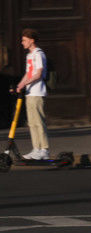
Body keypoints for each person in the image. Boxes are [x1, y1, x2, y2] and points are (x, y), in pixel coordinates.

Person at [11, 28, 49, 161]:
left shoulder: (39, 54)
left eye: (24, 40)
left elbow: (38, 74)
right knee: (32, 123)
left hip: (37, 92)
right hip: (29, 93)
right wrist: (19, 85)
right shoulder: (29, 55)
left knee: (39, 122)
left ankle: (44, 150)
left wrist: (23, 84)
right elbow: (28, 74)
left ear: (31, 40)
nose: (22, 43)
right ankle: (36, 149)